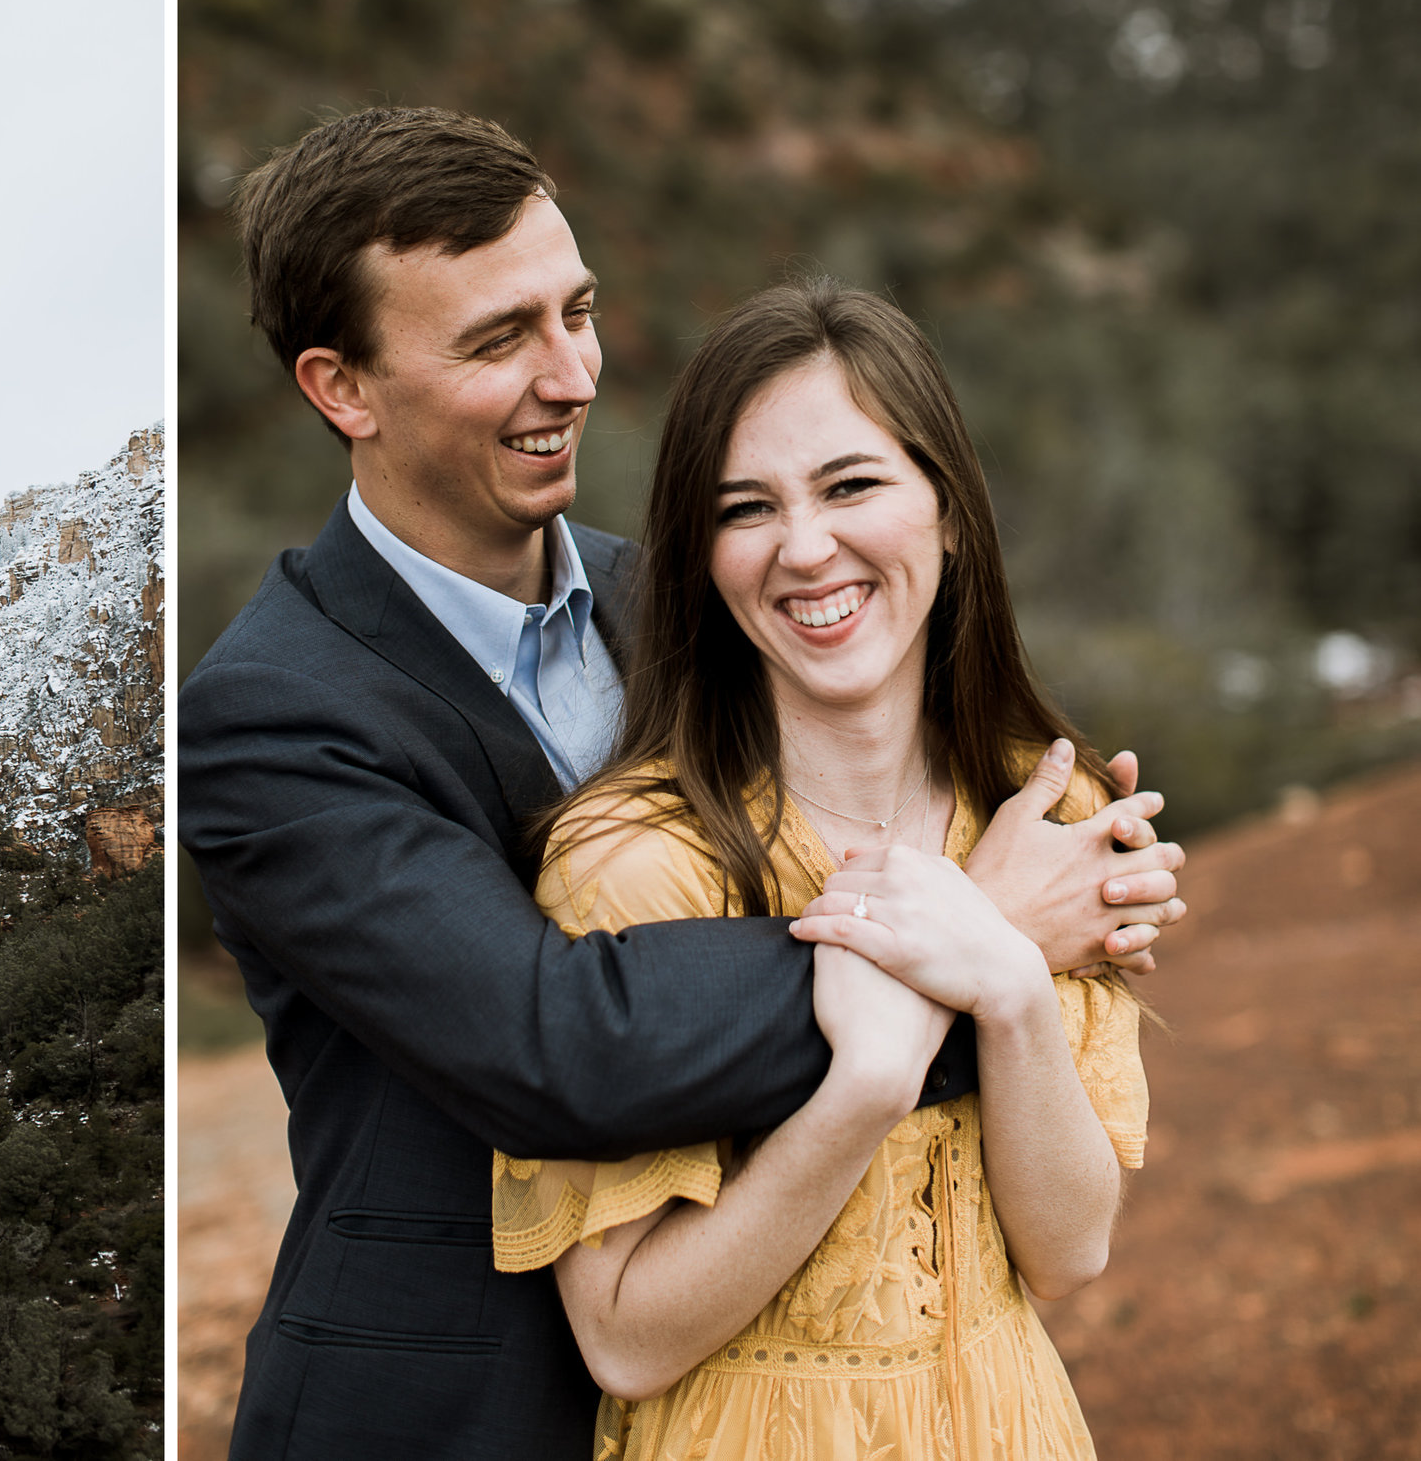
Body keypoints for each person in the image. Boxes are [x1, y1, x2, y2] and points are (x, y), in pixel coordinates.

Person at [179, 106, 1185, 1459]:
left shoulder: (698, 590)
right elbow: (557, 1044)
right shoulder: (269, 716)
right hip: (452, 1413)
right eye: (497, 339)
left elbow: (892, 708)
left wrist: (1085, 854)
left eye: (575, 311)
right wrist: (978, 934)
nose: (570, 373)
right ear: (340, 386)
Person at [493, 279, 1140, 1457]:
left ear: (945, 506)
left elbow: (1070, 1249)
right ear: (702, 559)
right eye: (747, 509)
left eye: (850, 485)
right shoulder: (632, 865)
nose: (804, 548)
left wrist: (1005, 980)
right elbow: (625, 1338)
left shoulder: (1039, 809)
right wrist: (860, 1093)